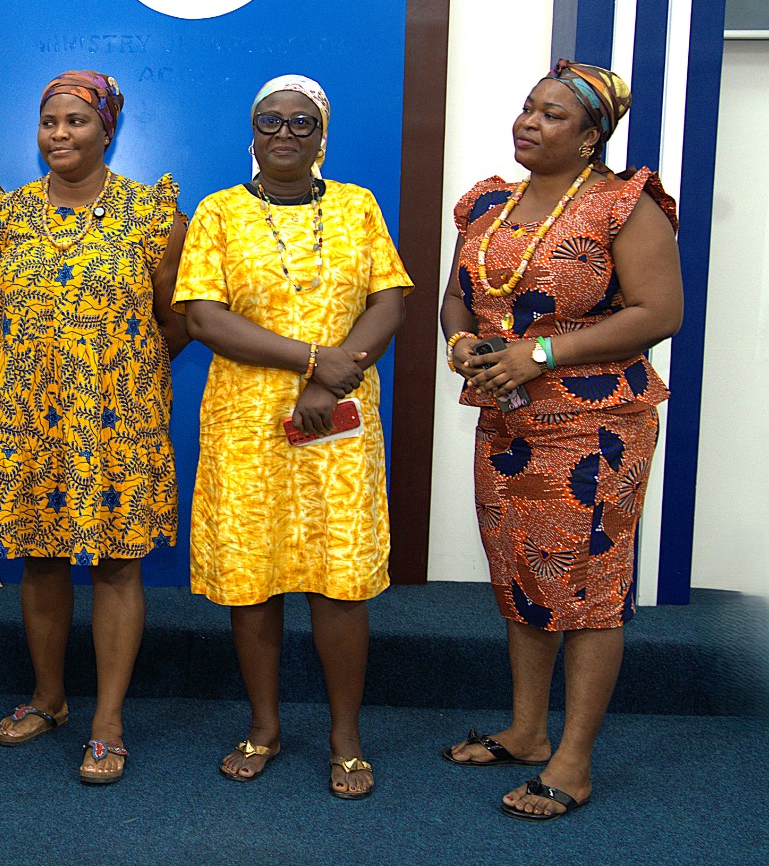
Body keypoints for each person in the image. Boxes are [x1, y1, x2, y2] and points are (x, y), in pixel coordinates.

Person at [440, 60, 681, 820]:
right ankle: (526, 730)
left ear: (589, 139)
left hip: (596, 427)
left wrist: (540, 353)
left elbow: (659, 312)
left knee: (588, 587)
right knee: (520, 571)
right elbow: (458, 299)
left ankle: (573, 762)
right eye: (527, 107)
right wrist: (462, 343)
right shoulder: (488, 203)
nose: (529, 122)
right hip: (507, 420)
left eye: (552, 115)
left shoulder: (623, 205)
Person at [175, 74, 410, 799]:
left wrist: (327, 382)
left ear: (321, 136)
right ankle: (264, 727)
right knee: (255, 579)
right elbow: (203, 317)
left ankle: (346, 738)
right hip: (246, 423)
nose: (284, 133)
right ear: (251, 133)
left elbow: (390, 300)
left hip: (336, 423)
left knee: (339, 580)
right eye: (269, 121)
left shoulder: (358, 206)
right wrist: (312, 360)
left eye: (301, 122)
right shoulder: (218, 212)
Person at [0, 69, 187, 786]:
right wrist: (42, 368)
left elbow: (177, 321)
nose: (58, 134)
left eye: (76, 121)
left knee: (118, 562)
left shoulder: (153, 216)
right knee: (40, 557)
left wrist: (110, 368)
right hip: (28, 421)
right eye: (49, 122)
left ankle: (108, 722)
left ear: (107, 130)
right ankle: (49, 698)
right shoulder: (4, 216)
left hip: (118, 421)